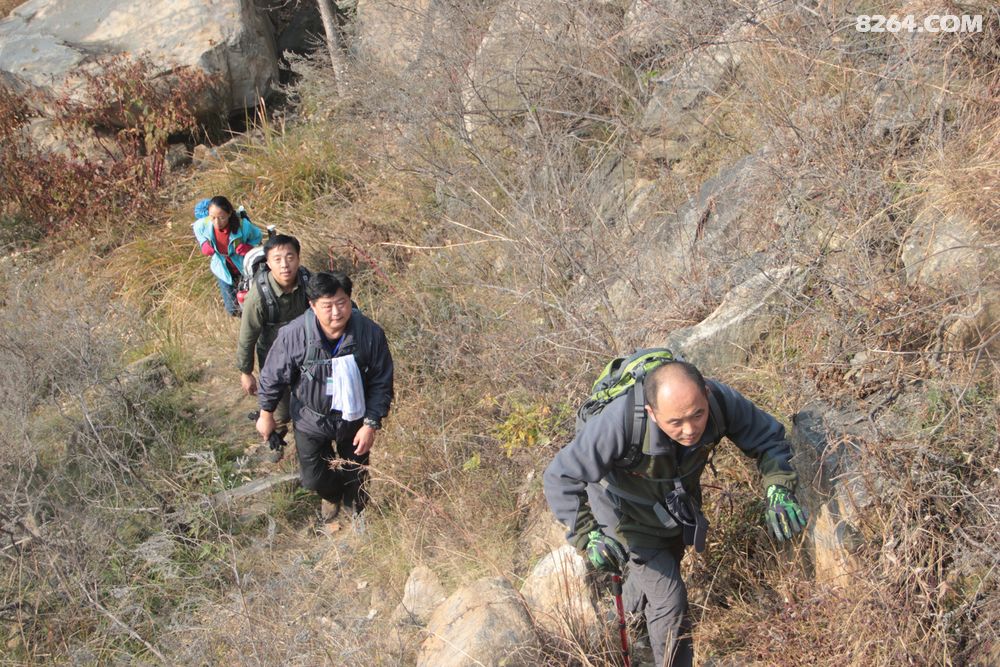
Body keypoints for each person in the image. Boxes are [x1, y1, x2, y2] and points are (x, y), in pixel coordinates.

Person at [543, 361, 808, 667]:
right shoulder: (620, 423)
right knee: (670, 599)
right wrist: (587, 534)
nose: (691, 429)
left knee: (663, 563)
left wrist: (778, 487)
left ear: (705, 393)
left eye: (698, 414)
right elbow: (560, 476)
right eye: (676, 422)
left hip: (673, 500)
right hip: (617, 502)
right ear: (652, 413)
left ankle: (629, 618)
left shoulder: (720, 400)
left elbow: (769, 439)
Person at [256, 271, 394, 523]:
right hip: (310, 418)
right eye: (327, 306)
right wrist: (266, 412)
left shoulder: (369, 333)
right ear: (312, 305)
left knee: (356, 471)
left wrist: (370, 423)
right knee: (313, 478)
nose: (336, 312)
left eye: (342, 303)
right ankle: (331, 494)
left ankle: (357, 509)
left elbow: (381, 381)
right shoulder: (294, 335)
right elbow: (273, 374)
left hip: (354, 418)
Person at [236, 234, 312, 462]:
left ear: (298, 258)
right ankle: (274, 439)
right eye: (277, 259)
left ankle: (308, 445)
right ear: (268, 263)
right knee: (279, 407)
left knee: (310, 401)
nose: (284, 264)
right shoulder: (259, 296)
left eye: (290, 257)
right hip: (273, 357)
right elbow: (247, 336)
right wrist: (246, 372)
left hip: (308, 353)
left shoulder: (310, 283)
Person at [192, 196, 262, 316]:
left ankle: (254, 319)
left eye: (221, 218)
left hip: (243, 267)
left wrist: (248, 248)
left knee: (253, 300)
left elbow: (257, 237)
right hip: (222, 269)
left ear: (229, 214)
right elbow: (197, 227)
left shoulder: (243, 226)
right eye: (213, 217)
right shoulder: (205, 224)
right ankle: (243, 321)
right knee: (232, 309)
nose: (217, 222)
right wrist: (203, 243)